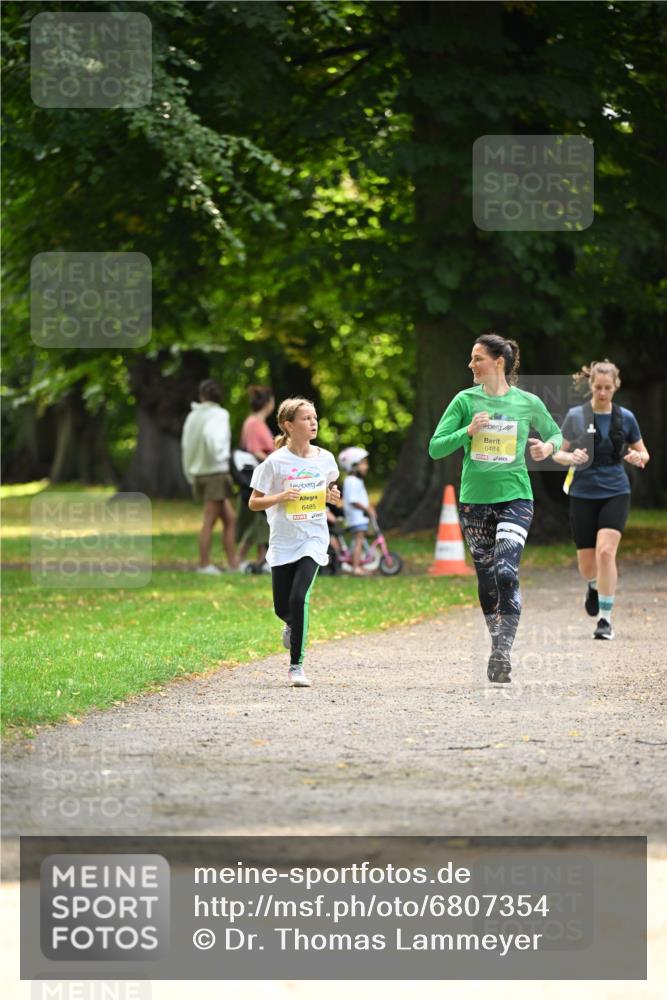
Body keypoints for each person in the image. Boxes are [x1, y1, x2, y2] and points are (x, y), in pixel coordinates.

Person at [428, 333, 563, 684]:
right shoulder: (464, 401)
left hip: (516, 497)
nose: (470, 365)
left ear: (498, 362)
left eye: (477, 359)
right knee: (487, 578)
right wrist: (467, 432)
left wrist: (547, 449)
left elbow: (556, 434)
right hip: (475, 502)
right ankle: (496, 642)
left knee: (506, 571)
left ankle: (503, 649)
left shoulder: (527, 402)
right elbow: (435, 448)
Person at [553, 359, 649, 640]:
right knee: (586, 565)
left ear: (616, 387)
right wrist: (571, 457)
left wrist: (637, 457)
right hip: (582, 492)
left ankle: (605, 620)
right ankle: (594, 585)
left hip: (616, 491)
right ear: (591, 386)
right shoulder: (576, 416)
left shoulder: (626, 418)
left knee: (606, 552)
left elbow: (643, 452)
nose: (603, 392)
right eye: (598, 387)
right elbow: (557, 452)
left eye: (608, 387)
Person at [248, 397, 340, 687]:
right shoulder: (275, 463)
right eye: (306, 418)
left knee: (300, 598)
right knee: (282, 606)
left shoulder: (325, 458)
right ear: (288, 425)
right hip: (283, 541)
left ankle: (296, 666)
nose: (313, 423)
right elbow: (254, 502)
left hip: (313, 537)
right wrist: (280, 497)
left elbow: (328, 488)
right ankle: (291, 623)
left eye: (314, 417)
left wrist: (332, 497)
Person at [181, 378, 239, 575]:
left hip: (198, 473)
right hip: (215, 472)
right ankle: (204, 564)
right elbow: (213, 438)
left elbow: (186, 446)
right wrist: (222, 456)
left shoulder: (193, 416)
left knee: (230, 518)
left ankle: (233, 563)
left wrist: (189, 471)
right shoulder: (219, 414)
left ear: (201, 395)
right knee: (210, 520)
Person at [236, 385, 276, 571]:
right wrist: (274, 463)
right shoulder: (254, 423)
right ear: (268, 403)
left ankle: (263, 560)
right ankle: (241, 559)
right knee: (260, 520)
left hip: (264, 476)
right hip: (259, 477)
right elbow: (255, 450)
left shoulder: (256, 422)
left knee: (262, 520)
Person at [339, 447, 376, 576]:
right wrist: (367, 509)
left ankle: (357, 564)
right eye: (363, 464)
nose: (366, 467)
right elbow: (353, 500)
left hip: (359, 517)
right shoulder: (351, 481)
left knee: (359, 541)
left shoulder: (355, 481)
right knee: (358, 541)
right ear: (353, 465)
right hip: (356, 517)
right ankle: (355, 567)